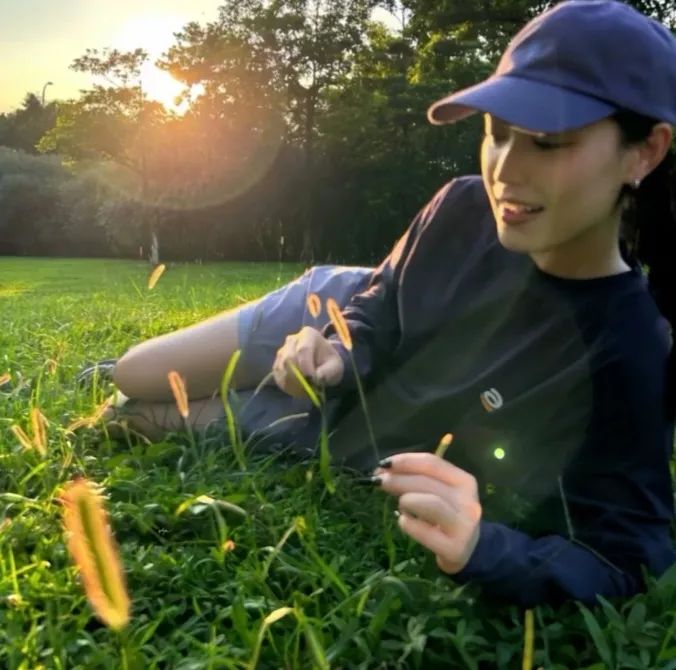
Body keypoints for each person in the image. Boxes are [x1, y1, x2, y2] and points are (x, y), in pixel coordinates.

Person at [90, 0, 676, 607]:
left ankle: (187, 383)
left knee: (127, 416)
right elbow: (382, 298)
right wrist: (338, 352)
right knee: (134, 372)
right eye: (496, 133)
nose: (506, 169)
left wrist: (484, 548)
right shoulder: (461, 207)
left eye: (548, 143)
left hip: (356, 427)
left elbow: (627, 551)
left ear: (645, 152)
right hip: (331, 313)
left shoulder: (627, 346)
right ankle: (114, 366)